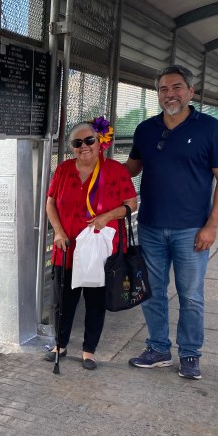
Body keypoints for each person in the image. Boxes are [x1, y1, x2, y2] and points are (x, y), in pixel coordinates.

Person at [126, 65, 218, 380]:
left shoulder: (212, 130)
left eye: (176, 87)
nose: (169, 94)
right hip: (150, 226)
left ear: (191, 91)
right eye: (163, 89)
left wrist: (212, 225)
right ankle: (159, 349)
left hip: (191, 230)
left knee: (190, 294)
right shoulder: (145, 130)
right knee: (152, 291)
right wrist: (94, 154)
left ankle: (189, 354)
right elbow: (131, 169)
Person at [45, 118, 138, 369]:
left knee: (96, 301)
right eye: (77, 142)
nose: (83, 146)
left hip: (101, 250)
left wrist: (107, 216)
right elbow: (50, 202)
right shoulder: (63, 169)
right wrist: (57, 232)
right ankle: (60, 344)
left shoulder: (116, 171)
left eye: (89, 140)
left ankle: (89, 350)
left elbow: (131, 204)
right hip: (67, 247)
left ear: (100, 142)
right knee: (63, 300)